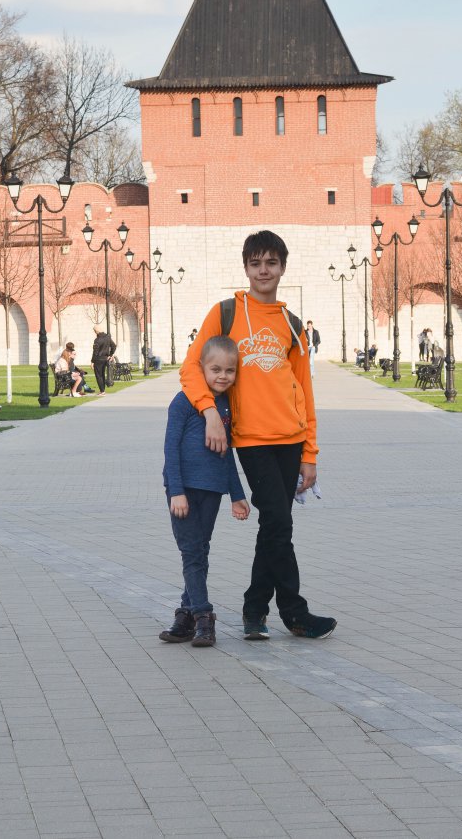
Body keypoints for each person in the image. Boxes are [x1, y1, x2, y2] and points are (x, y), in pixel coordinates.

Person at [181, 229, 336, 641]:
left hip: (291, 439)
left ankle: (255, 611)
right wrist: (210, 414)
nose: (263, 270)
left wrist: (310, 453)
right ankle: (295, 613)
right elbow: (191, 368)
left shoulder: (292, 324)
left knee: (275, 526)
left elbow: (305, 390)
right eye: (256, 264)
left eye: (271, 263)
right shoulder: (226, 313)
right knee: (278, 524)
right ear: (246, 268)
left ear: (282, 267)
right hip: (251, 440)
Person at [160, 335, 250, 647]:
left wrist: (237, 494)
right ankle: (203, 615)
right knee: (191, 551)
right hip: (183, 491)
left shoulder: (226, 407)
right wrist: (176, 491)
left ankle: (185, 616)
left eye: (230, 370)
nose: (223, 376)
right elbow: (170, 449)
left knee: (199, 550)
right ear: (201, 369)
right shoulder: (184, 401)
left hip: (211, 490)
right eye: (216, 369)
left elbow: (227, 454)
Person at [91, 325, 116, 395]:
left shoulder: (97, 340)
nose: (94, 332)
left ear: (96, 331)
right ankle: (102, 391)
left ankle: (102, 391)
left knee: (99, 375)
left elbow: (95, 352)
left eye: (94, 331)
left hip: (98, 359)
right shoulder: (108, 337)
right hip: (105, 358)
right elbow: (114, 346)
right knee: (102, 374)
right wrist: (110, 355)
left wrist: (92, 361)